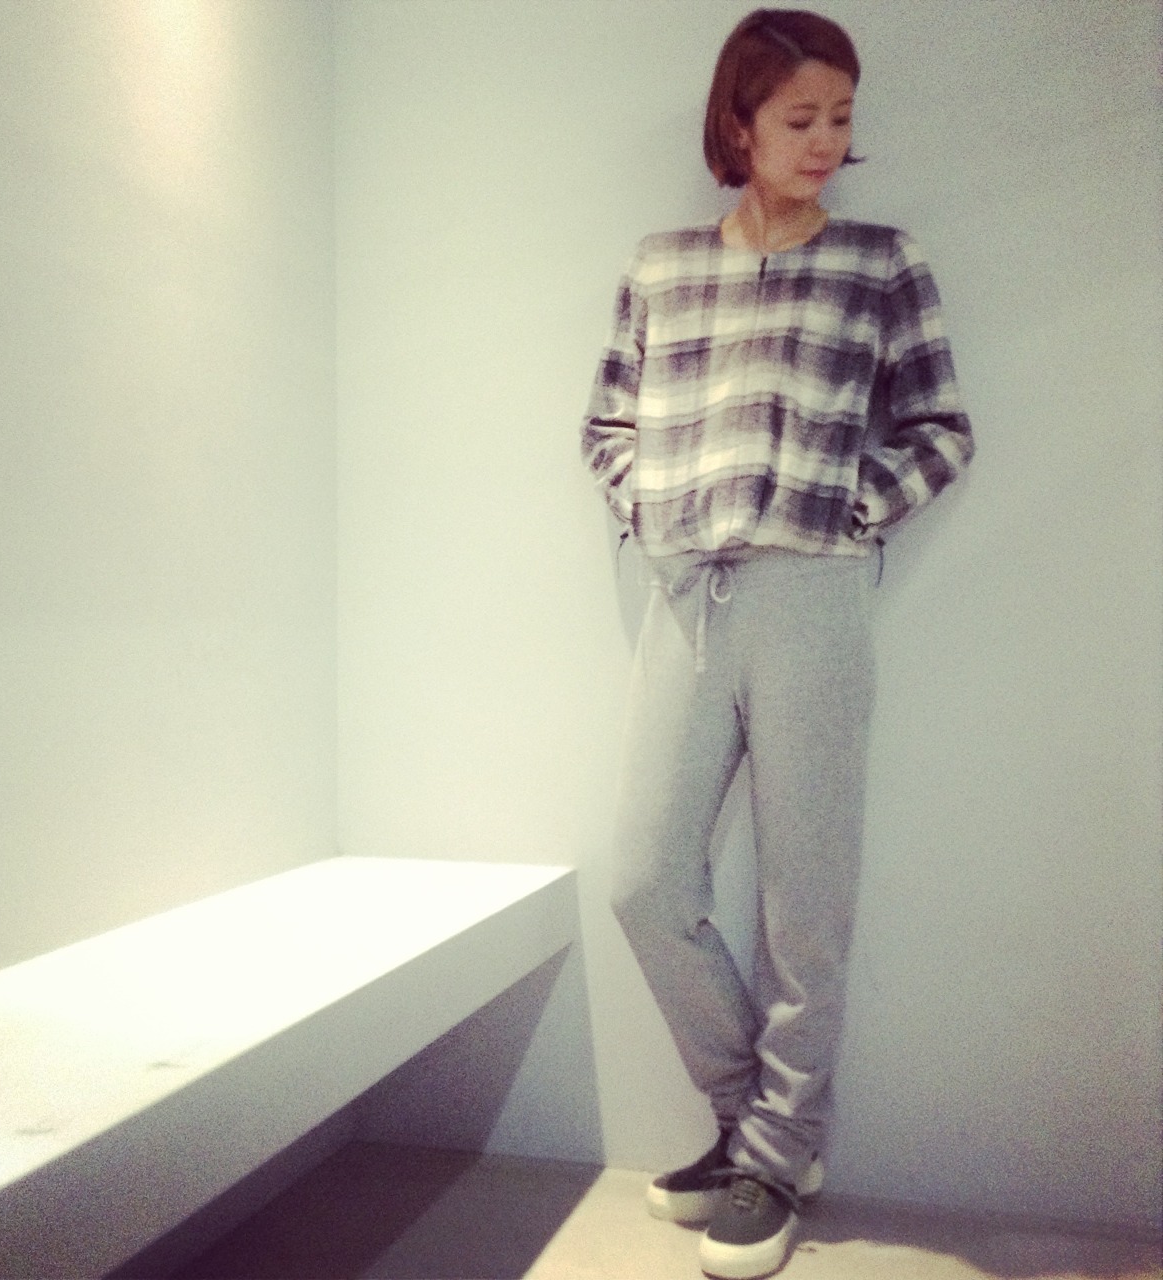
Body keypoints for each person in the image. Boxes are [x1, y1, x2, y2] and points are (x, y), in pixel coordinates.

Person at [581, 9, 973, 1279]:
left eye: (839, 117)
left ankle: (770, 1150)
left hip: (812, 594)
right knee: (644, 877)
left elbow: (941, 428)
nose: (824, 140)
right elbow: (605, 425)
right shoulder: (660, 267)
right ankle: (759, 1126)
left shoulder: (878, 262)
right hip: (688, 597)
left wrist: (846, 512)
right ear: (737, 123)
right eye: (799, 116)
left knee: (805, 904)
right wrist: (654, 508)